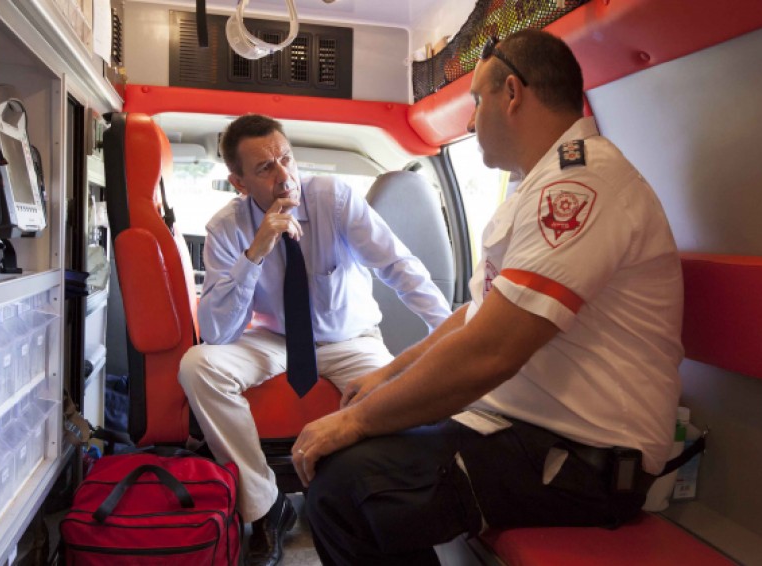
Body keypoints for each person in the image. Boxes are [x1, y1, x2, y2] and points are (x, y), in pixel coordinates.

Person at [291, 29, 684, 565]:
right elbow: (473, 318)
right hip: (524, 432)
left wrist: (354, 420)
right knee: (353, 469)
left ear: (513, 94)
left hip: (585, 459)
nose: (472, 120)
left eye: (477, 100)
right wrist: (387, 377)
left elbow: (491, 351)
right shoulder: (536, 187)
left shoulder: (583, 186)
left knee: (344, 489)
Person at [177, 114, 452, 566]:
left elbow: (398, 266)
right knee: (197, 365)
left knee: (399, 402)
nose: (284, 175)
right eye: (265, 168)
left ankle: (379, 504)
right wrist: (256, 252)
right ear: (239, 182)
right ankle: (267, 505)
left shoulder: (334, 199)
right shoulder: (225, 229)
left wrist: (446, 334)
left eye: (285, 158)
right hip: (275, 338)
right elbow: (217, 332)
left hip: (350, 338)